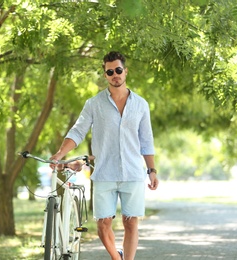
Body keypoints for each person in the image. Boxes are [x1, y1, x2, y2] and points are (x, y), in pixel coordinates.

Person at [50, 51, 159, 260]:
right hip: (104, 172)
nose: (115, 75)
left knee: (131, 222)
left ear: (125, 71)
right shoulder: (94, 104)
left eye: (118, 70)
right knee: (103, 224)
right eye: (110, 72)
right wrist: (60, 153)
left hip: (133, 172)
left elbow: (146, 141)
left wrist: (152, 170)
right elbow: (77, 132)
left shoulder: (141, 105)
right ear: (105, 74)